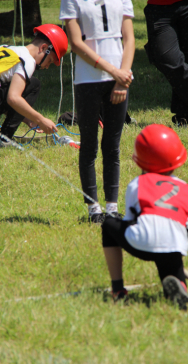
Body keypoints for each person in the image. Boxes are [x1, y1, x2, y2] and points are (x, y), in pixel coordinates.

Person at [102, 124, 188, 310]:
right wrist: (177, 248)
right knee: (169, 265)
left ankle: (118, 289)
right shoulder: (186, 188)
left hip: (141, 242)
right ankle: (179, 284)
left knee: (108, 224)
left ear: (139, 160)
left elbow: (130, 221)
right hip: (175, 246)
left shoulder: (137, 184)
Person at [59, 0, 135, 223]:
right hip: (87, 80)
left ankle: (112, 208)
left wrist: (122, 78)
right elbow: (75, 43)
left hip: (119, 78)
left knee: (112, 145)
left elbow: (129, 39)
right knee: (89, 145)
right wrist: (114, 71)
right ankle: (93, 209)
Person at [0, 24, 68, 144]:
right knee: (34, 84)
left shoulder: (7, 48)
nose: (47, 67)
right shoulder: (27, 60)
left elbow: (3, 98)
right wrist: (40, 119)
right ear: (43, 48)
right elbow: (12, 98)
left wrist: (28, 120)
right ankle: (5, 137)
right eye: (50, 61)